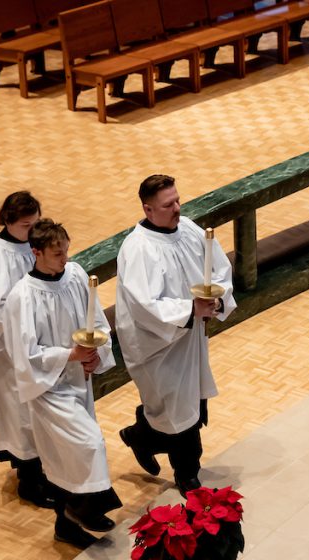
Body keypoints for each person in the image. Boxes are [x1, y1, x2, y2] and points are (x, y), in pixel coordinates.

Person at [3, 219, 121, 549]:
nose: (65, 258)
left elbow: (95, 319)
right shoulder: (22, 297)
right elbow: (24, 355)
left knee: (69, 455)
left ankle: (67, 523)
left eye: (67, 250)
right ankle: (79, 510)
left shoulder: (77, 275)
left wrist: (97, 353)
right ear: (35, 252)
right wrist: (70, 354)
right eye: (57, 253)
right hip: (47, 388)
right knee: (88, 444)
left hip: (78, 379)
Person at [116, 174, 236, 495]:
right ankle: (187, 475)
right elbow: (145, 305)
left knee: (191, 404)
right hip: (157, 345)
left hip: (189, 337)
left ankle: (140, 436)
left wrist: (217, 297)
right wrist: (189, 310)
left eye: (178, 200)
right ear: (148, 209)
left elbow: (219, 269)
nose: (178, 208)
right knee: (176, 409)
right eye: (169, 205)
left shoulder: (190, 230)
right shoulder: (139, 249)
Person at [0, 191, 58, 508]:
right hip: (9, 352)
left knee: (41, 411)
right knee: (20, 416)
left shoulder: (33, 245)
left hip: (39, 345)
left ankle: (46, 471)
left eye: (35, 223)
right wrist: (20, 327)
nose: (32, 231)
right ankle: (29, 483)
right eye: (25, 225)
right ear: (7, 221)